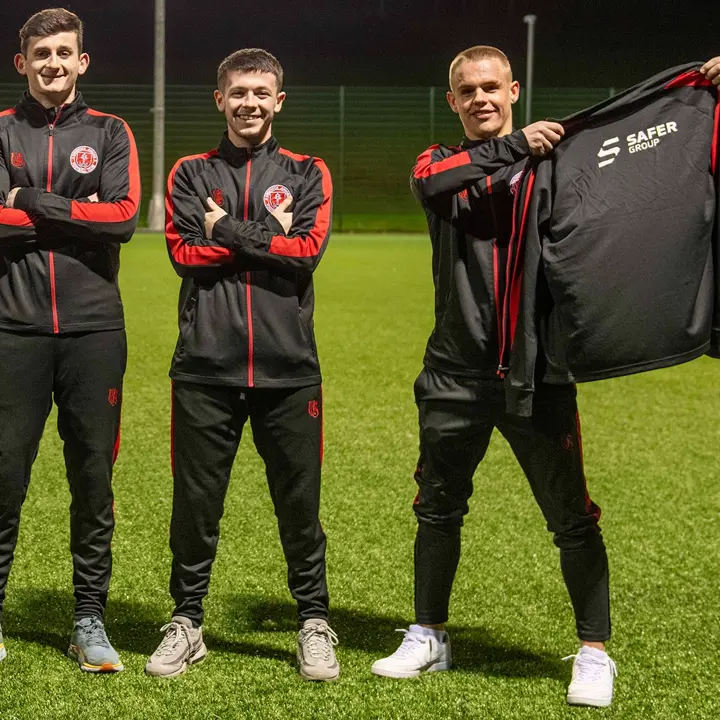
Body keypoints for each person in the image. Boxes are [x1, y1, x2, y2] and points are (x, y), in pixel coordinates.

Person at [371, 47, 720, 707]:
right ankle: (429, 634)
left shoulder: (554, 164)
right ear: (452, 100)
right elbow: (430, 184)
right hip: (452, 375)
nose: (480, 98)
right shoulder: (440, 162)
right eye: (467, 90)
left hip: (538, 375)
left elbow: (644, 170)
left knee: (571, 518)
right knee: (438, 508)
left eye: (491, 87)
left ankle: (594, 653)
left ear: (513, 90)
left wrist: (699, 93)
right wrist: (512, 147)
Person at [145, 48, 337, 681]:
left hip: (289, 369)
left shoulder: (308, 172)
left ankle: (313, 622)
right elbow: (184, 254)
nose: (249, 103)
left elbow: (305, 253)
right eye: (238, 93)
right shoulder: (190, 172)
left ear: (278, 100)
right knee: (195, 505)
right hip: (205, 368)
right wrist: (266, 236)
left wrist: (225, 228)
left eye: (260, 93)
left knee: (299, 506)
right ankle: (186, 622)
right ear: (219, 100)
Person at [0, 8, 140, 672]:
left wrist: (30, 200)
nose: (53, 63)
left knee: (92, 478)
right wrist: (77, 215)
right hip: (13, 329)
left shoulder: (110, 132)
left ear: (82, 61)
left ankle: (89, 619)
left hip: (93, 332)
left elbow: (122, 219)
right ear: (21, 63)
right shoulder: (1, 129)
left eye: (64, 52)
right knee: (4, 477)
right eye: (41, 53)